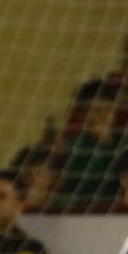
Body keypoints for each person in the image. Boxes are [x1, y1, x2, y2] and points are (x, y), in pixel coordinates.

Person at [50, 78, 122, 209]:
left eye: (103, 110)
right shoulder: (72, 146)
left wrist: (105, 141)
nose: (97, 117)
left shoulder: (126, 143)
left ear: (113, 111)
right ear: (81, 114)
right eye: (90, 110)